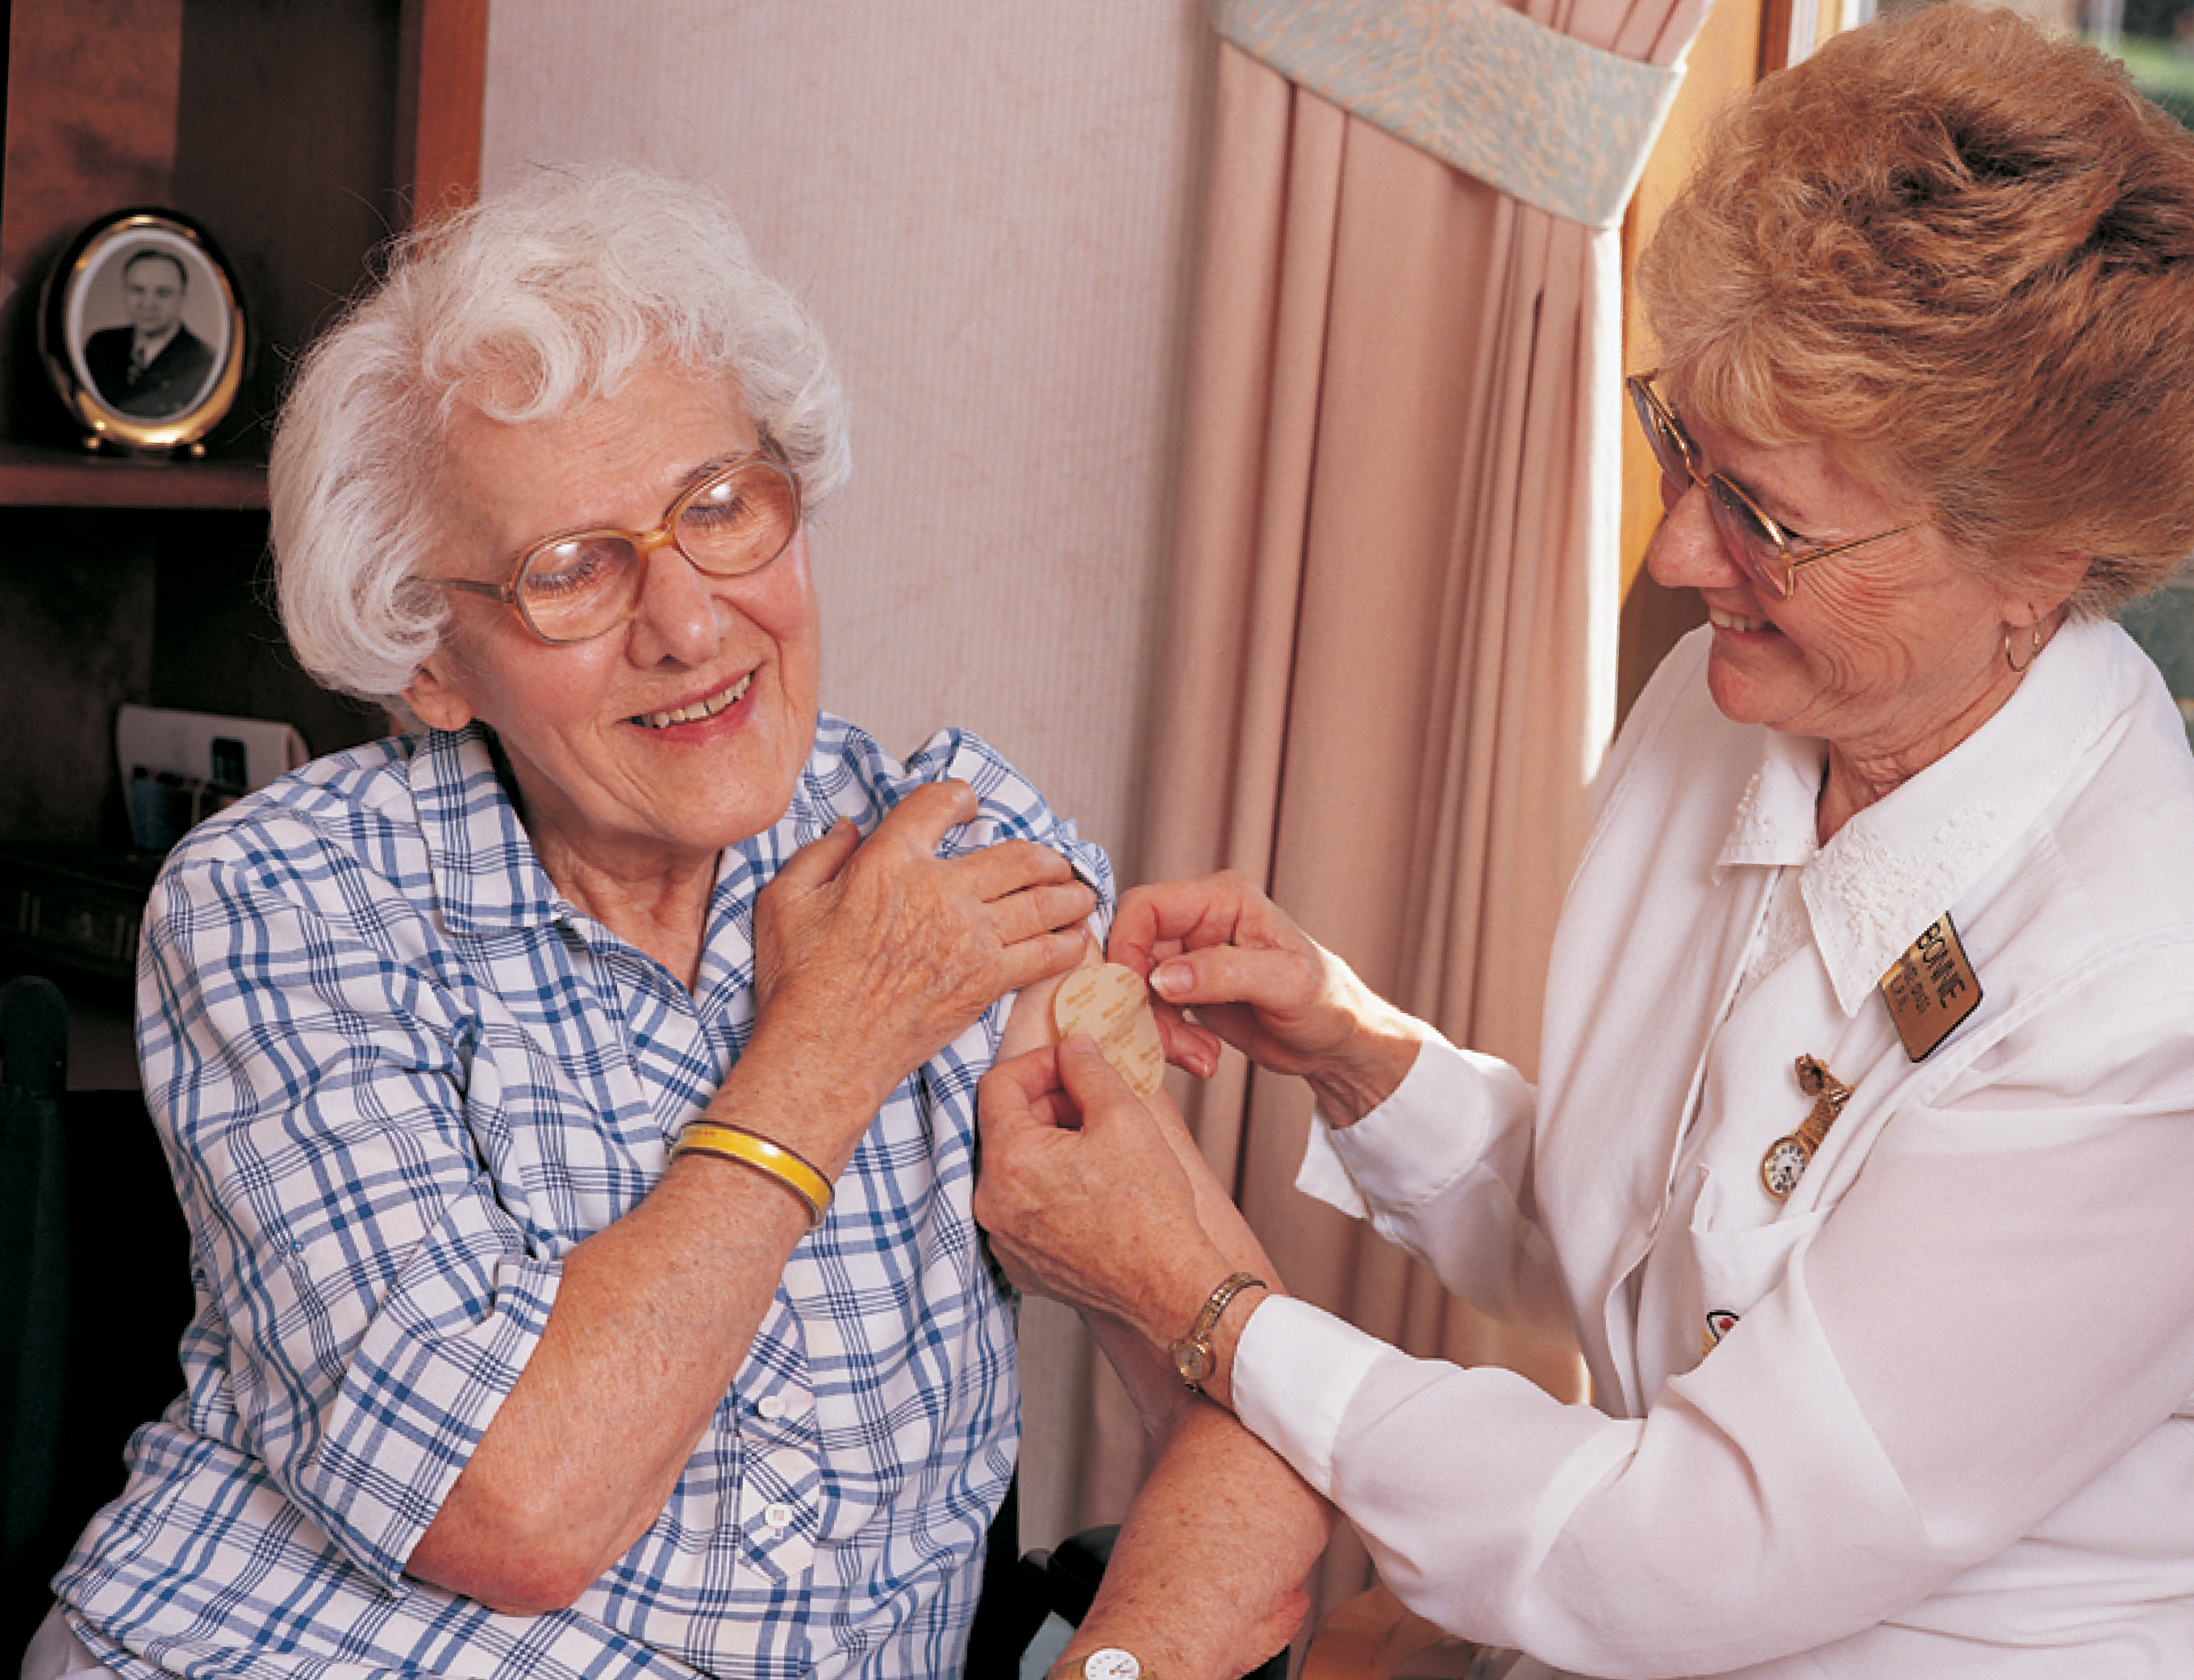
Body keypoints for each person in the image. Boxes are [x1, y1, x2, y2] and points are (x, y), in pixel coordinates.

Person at [976, 7, 2194, 1675]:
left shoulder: (2157, 1007)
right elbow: (1675, 1250)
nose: (1672, 557)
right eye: (1680, 450)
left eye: (1762, 518)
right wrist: (1361, 1058)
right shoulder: (1732, 713)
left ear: (2034, 557)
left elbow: (1702, 1549)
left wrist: (1205, 1309)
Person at [28, 166, 1321, 1680]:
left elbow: (1252, 1402)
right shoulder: (288, 897)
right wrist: (830, 1040)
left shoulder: (956, 861)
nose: (693, 622)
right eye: (567, 570)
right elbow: (513, 1510)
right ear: (431, 659)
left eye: (720, 507)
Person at [81, 249, 216, 419]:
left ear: (182, 297)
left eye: (162, 293)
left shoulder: (203, 362)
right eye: (138, 290)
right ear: (124, 292)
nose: (148, 303)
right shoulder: (100, 346)